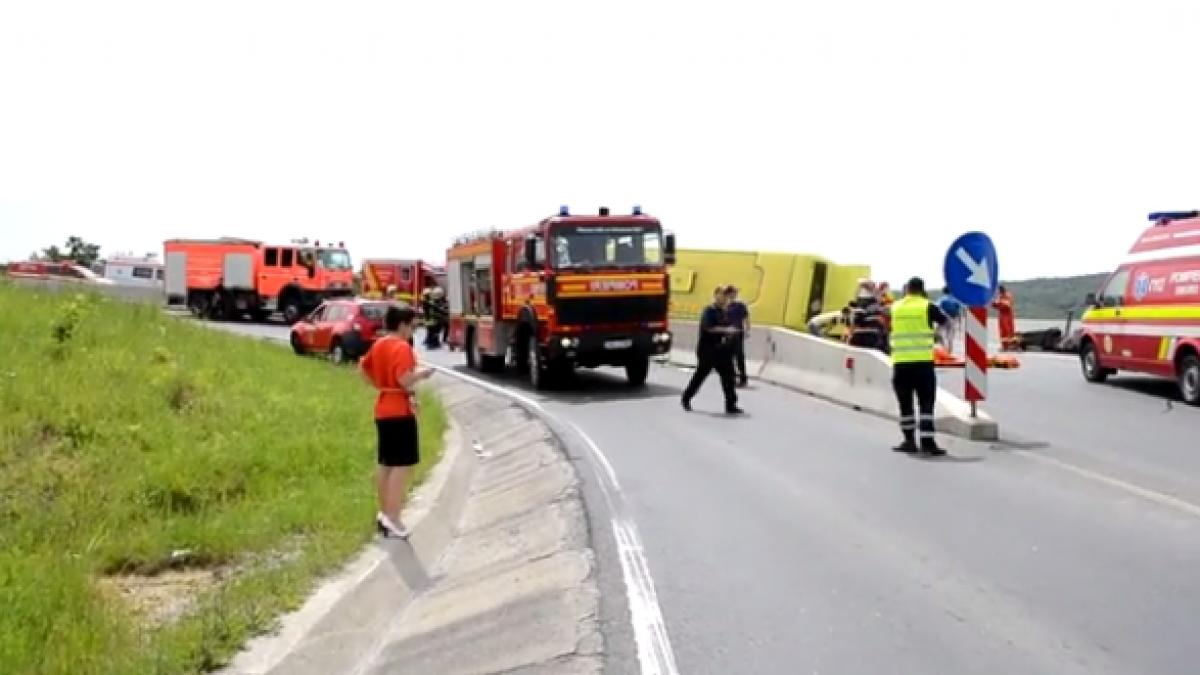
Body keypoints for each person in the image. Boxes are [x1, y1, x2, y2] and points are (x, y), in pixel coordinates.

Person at [360, 304, 434, 538]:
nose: (413, 331)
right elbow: (404, 380)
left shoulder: (379, 344)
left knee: (386, 464)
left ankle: (384, 513)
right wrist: (423, 373)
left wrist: (382, 387)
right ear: (402, 325)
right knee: (402, 465)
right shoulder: (401, 347)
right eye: (412, 326)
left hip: (383, 407)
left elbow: (363, 369)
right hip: (399, 411)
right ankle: (393, 517)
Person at [889, 277, 948, 455]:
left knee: (905, 405)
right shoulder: (927, 306)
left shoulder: (895, 307)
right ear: (922, 290)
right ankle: (927, 443)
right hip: (923, 364)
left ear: (907, 289)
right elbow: (945, 322)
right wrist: (935, 335)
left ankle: (909, 441)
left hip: (901, 364)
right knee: (926, 405)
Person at [681, 285, 743, 414]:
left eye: (726, 295)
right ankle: (686, 398)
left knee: (729, 377)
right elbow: (708, 328)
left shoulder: (724, 312)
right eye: (721, 294)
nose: (724, 298)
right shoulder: (709, 311)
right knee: (700, 376)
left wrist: (731, 333)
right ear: (715, 295)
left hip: (722, 351)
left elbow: (725, 328)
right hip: (707, 350)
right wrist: (726, 330)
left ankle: (731, 404)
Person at [724, 286, 750, 386]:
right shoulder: (725, 307)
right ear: (728, 294)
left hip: (738, 334)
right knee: (729, 357)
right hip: (728, 334)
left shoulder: (740, 305)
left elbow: (746, 318)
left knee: (739, 356)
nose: (735, 294)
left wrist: (747, 330)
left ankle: (743, 378)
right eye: (733, 293)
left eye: (735, 293)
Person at [935, 287, 963, 354]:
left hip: (944, 318)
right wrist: (959, 320)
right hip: (953, 319)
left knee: (937, 334)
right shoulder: (956, 299)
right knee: (950, 336)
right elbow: (958, 310)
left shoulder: (941, 299)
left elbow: (937, 308)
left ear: (943, 292)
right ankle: (950, 352)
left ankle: (944, 347)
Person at [992, 285, 1017, 351]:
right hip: (1002, 315)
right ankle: (1004, 346)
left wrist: (998, 302)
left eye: (999, 291)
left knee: (1009, 330)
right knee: (1003, 331)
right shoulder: (1000, 297)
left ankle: (1011, 345)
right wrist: (994, 303)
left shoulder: (1007, 296)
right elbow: (996, 306)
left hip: (1008, 315)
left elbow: (1007, 305)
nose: (998, 292)